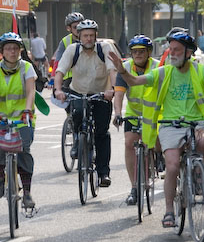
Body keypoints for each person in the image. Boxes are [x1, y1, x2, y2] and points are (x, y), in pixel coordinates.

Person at [107, 32, 204, 228]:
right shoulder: (164, 71)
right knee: (172, 165)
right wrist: (122, 70)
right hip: (169, 125)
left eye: (177, 50)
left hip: (196, 123)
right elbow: (135, 81)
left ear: (188, 52)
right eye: (170, 49)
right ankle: (169, 211)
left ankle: (199, 176)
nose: (172, 53)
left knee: (203, 142)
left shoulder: (202, 71)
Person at [55, 19, 117, 188]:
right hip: (78, 92)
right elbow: (60, 71)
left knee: (102, 133)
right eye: (85, 36)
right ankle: (79, 141)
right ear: (79, 37)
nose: (88, 39)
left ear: (96, 36)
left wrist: (112, 90)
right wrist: (58, 90)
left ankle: (103, 172)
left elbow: (113, 70)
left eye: (91, 35)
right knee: (76, 119)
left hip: (101, 94)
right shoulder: (72, 50)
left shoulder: (105, 48)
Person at [0, 32, 37, 208]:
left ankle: (27, 192)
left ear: (20, 50)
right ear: (2, 52)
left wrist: (27, 110)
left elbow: (30, 91)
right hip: (1, 118)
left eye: (15, 48)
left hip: (23, 118)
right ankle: (0, 177)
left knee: (24, 150)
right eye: (8, 49)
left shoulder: (27, 68)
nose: (12, 52)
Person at [112, 35, 160, 205]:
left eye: (141, 51)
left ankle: (158, 157)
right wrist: (117, 113)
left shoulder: (158, 66)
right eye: (134, 52)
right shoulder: (124, 68)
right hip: (134, 111)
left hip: (155, 112)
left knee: (154, 142)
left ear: (149, 53)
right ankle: (134, 187)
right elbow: (118, 94)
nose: (138, 55)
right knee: (129, 143)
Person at [52, 12, 85, 91]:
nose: (78, 29)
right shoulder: (65, 41)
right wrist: (53, 78)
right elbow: (58, 62)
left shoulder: (89, 39)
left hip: (87, 78)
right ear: (68, 28)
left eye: (80, 26)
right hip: (69, 80)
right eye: (75, 27)